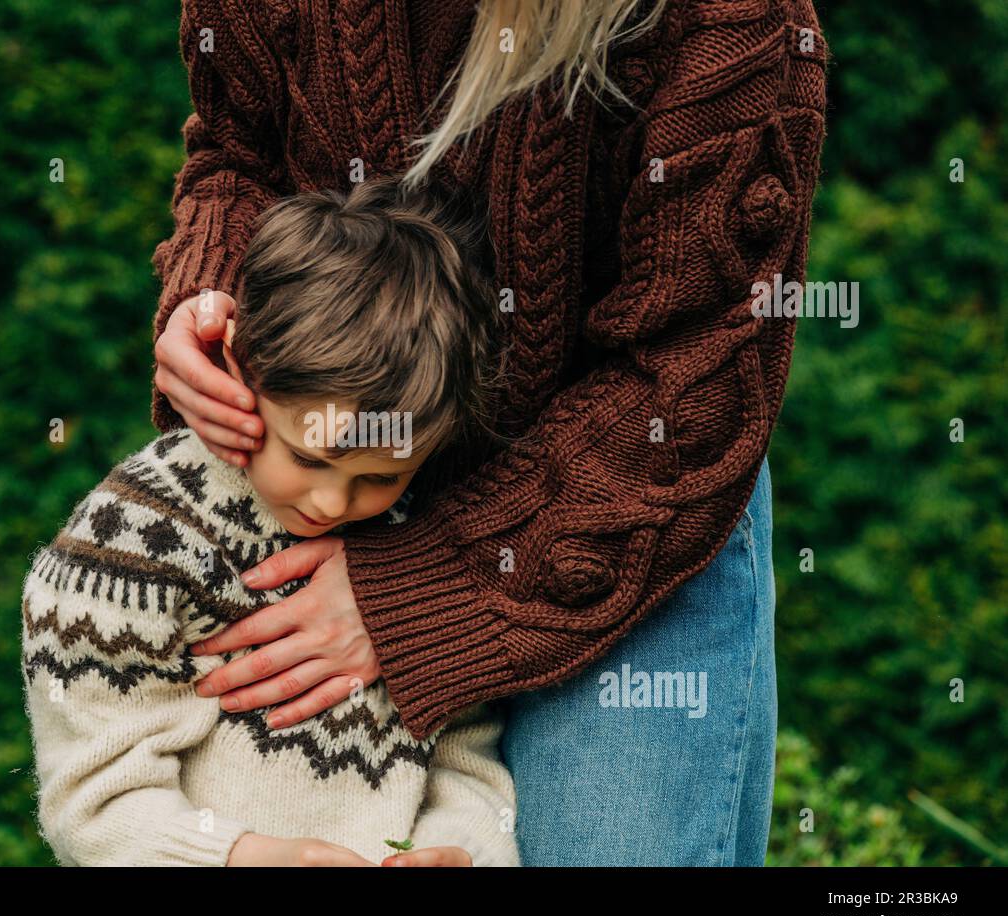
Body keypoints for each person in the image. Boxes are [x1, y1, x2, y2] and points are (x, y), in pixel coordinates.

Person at [149, 0, 828, 865]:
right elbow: (237, 146)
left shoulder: (726, 17)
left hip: (628, 511)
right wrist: (209, 292)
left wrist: (420, 592)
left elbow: (691, 379)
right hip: (325, 503)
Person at [22, 177, 520, 866]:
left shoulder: (426, 543)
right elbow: (95, 799)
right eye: (308, 457)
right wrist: (239, 856)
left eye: (381, 476)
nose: (331, 505)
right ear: (236, 359)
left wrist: (459, 849)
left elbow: (468, 760)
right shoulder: (132, 542)